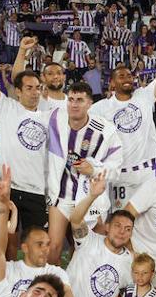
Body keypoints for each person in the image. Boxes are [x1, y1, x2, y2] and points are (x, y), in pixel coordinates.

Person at [44, 81, 123, 263]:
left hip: (89, 198)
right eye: (71, 99)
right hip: (61, 196)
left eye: (80, 100)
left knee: (86, 250)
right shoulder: (55, 118)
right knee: (53, 247)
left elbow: (116, 168)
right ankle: (52, 287)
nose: (74, 104)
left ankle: (78, 286)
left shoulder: (106, 131)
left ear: (89, 104)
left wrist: (93, 169)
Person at [0, 35, 49, 234]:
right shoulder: (6, 107)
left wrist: (22, 51)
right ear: (17, 92)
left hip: (35, 189)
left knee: (36, 241)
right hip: (5, 186)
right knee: (4, 242)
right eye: (29, 88)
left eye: (37, 88)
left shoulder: (47, 117)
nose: (35, 92)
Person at [65, 173, 136, 297]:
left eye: (127, 229)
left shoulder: (130, 261)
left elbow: (132, 294)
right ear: (107, 227)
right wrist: (93, 195)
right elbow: (75, 219)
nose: (122, 231)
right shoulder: (88, 240)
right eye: (118, 226)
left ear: (131, 233)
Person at [88, 63, 156, 211]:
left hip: (146, 173)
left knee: (147, 220)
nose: (127, 79)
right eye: (121, 76)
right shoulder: (100, 108)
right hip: (119, 176)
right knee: (121, 221)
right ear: (112, 82)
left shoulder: (144, 95)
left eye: (129, 75)